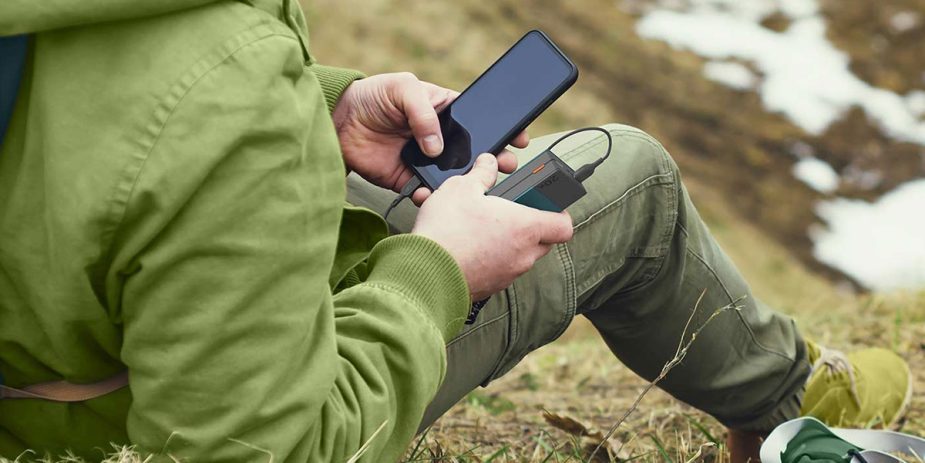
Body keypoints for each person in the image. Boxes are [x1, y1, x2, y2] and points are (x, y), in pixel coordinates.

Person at [0, 1, 911, 462]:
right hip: (95, 405)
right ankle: (794, 404)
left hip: (57, 329)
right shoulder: (223, 78)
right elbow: (256, 449)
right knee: (625, 176)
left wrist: (322, 108)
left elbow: (81, 146)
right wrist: (440, 267)